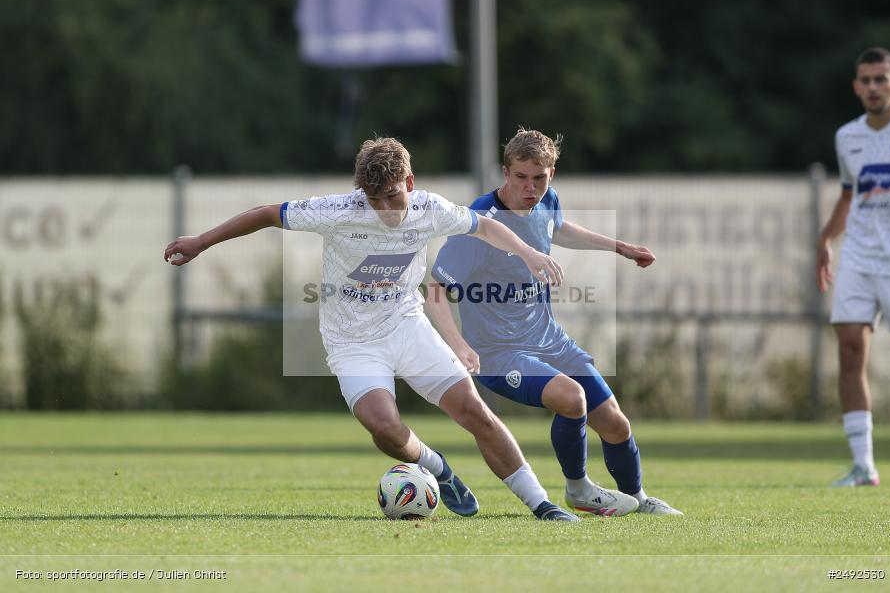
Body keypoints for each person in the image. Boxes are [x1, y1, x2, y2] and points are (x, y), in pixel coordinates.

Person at [164, 137, 579, 520]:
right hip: (352, 341)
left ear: (410, 183)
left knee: (474, 411)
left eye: (393, 196)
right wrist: (202, 241)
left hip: (407, 325)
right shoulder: (341, 210)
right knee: (384, 427)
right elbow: (268, 214)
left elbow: (485, 226)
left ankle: (541, 503)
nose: (384, 209)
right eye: (375, 199)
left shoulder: (430, 209)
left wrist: (527, 253)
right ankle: (438, 469)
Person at [426, 128, 682, 516]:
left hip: (550, 341)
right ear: (505, 173)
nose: (530, 188)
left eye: (539, 178)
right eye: (521, 177)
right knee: (571, 398)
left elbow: (558, 229)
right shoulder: (478, 224)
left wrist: (619, 247)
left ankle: (640, 499)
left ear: (552, 175)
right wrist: (459, 346)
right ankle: (578, 489)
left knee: (615, 424)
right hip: (498, 353)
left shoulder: (547, 203)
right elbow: (434, 289)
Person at [817, 47, 890, 487]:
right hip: (861, 257)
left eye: (880, 79)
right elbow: (849, 196)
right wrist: (826, 238)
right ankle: (864, 465)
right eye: (865, 80)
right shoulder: (847, 136)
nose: (873, 87)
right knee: (849, 348)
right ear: (856, 86)